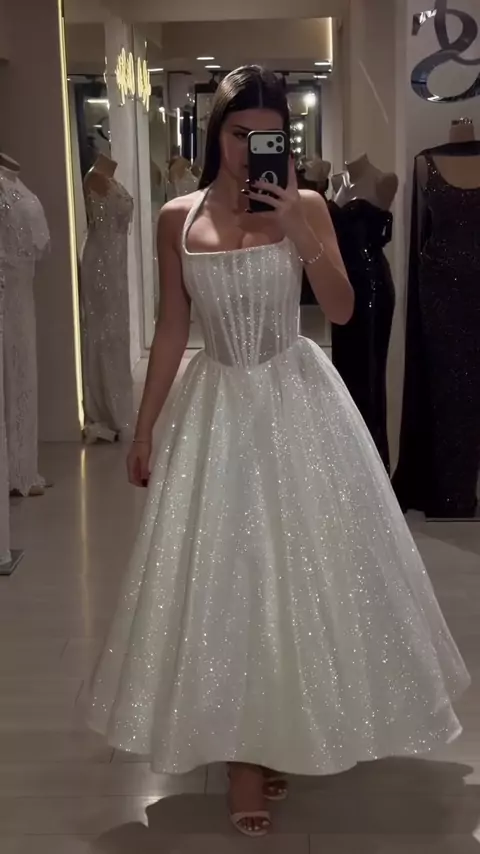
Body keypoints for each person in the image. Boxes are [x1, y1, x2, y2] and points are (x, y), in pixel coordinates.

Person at [88, 66, 469, 838]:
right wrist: (145, 426)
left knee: (299, 574)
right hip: (218, 406)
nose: (248, 151)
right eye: (238, 134)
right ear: (217, 134)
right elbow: (171, 328)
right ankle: (242, 756)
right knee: (227, 577)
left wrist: (300, 229)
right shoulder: (176, 218)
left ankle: (281, 728)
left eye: (266, 137)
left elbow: (343, 310)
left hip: (297, 402)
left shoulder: (308, 206)